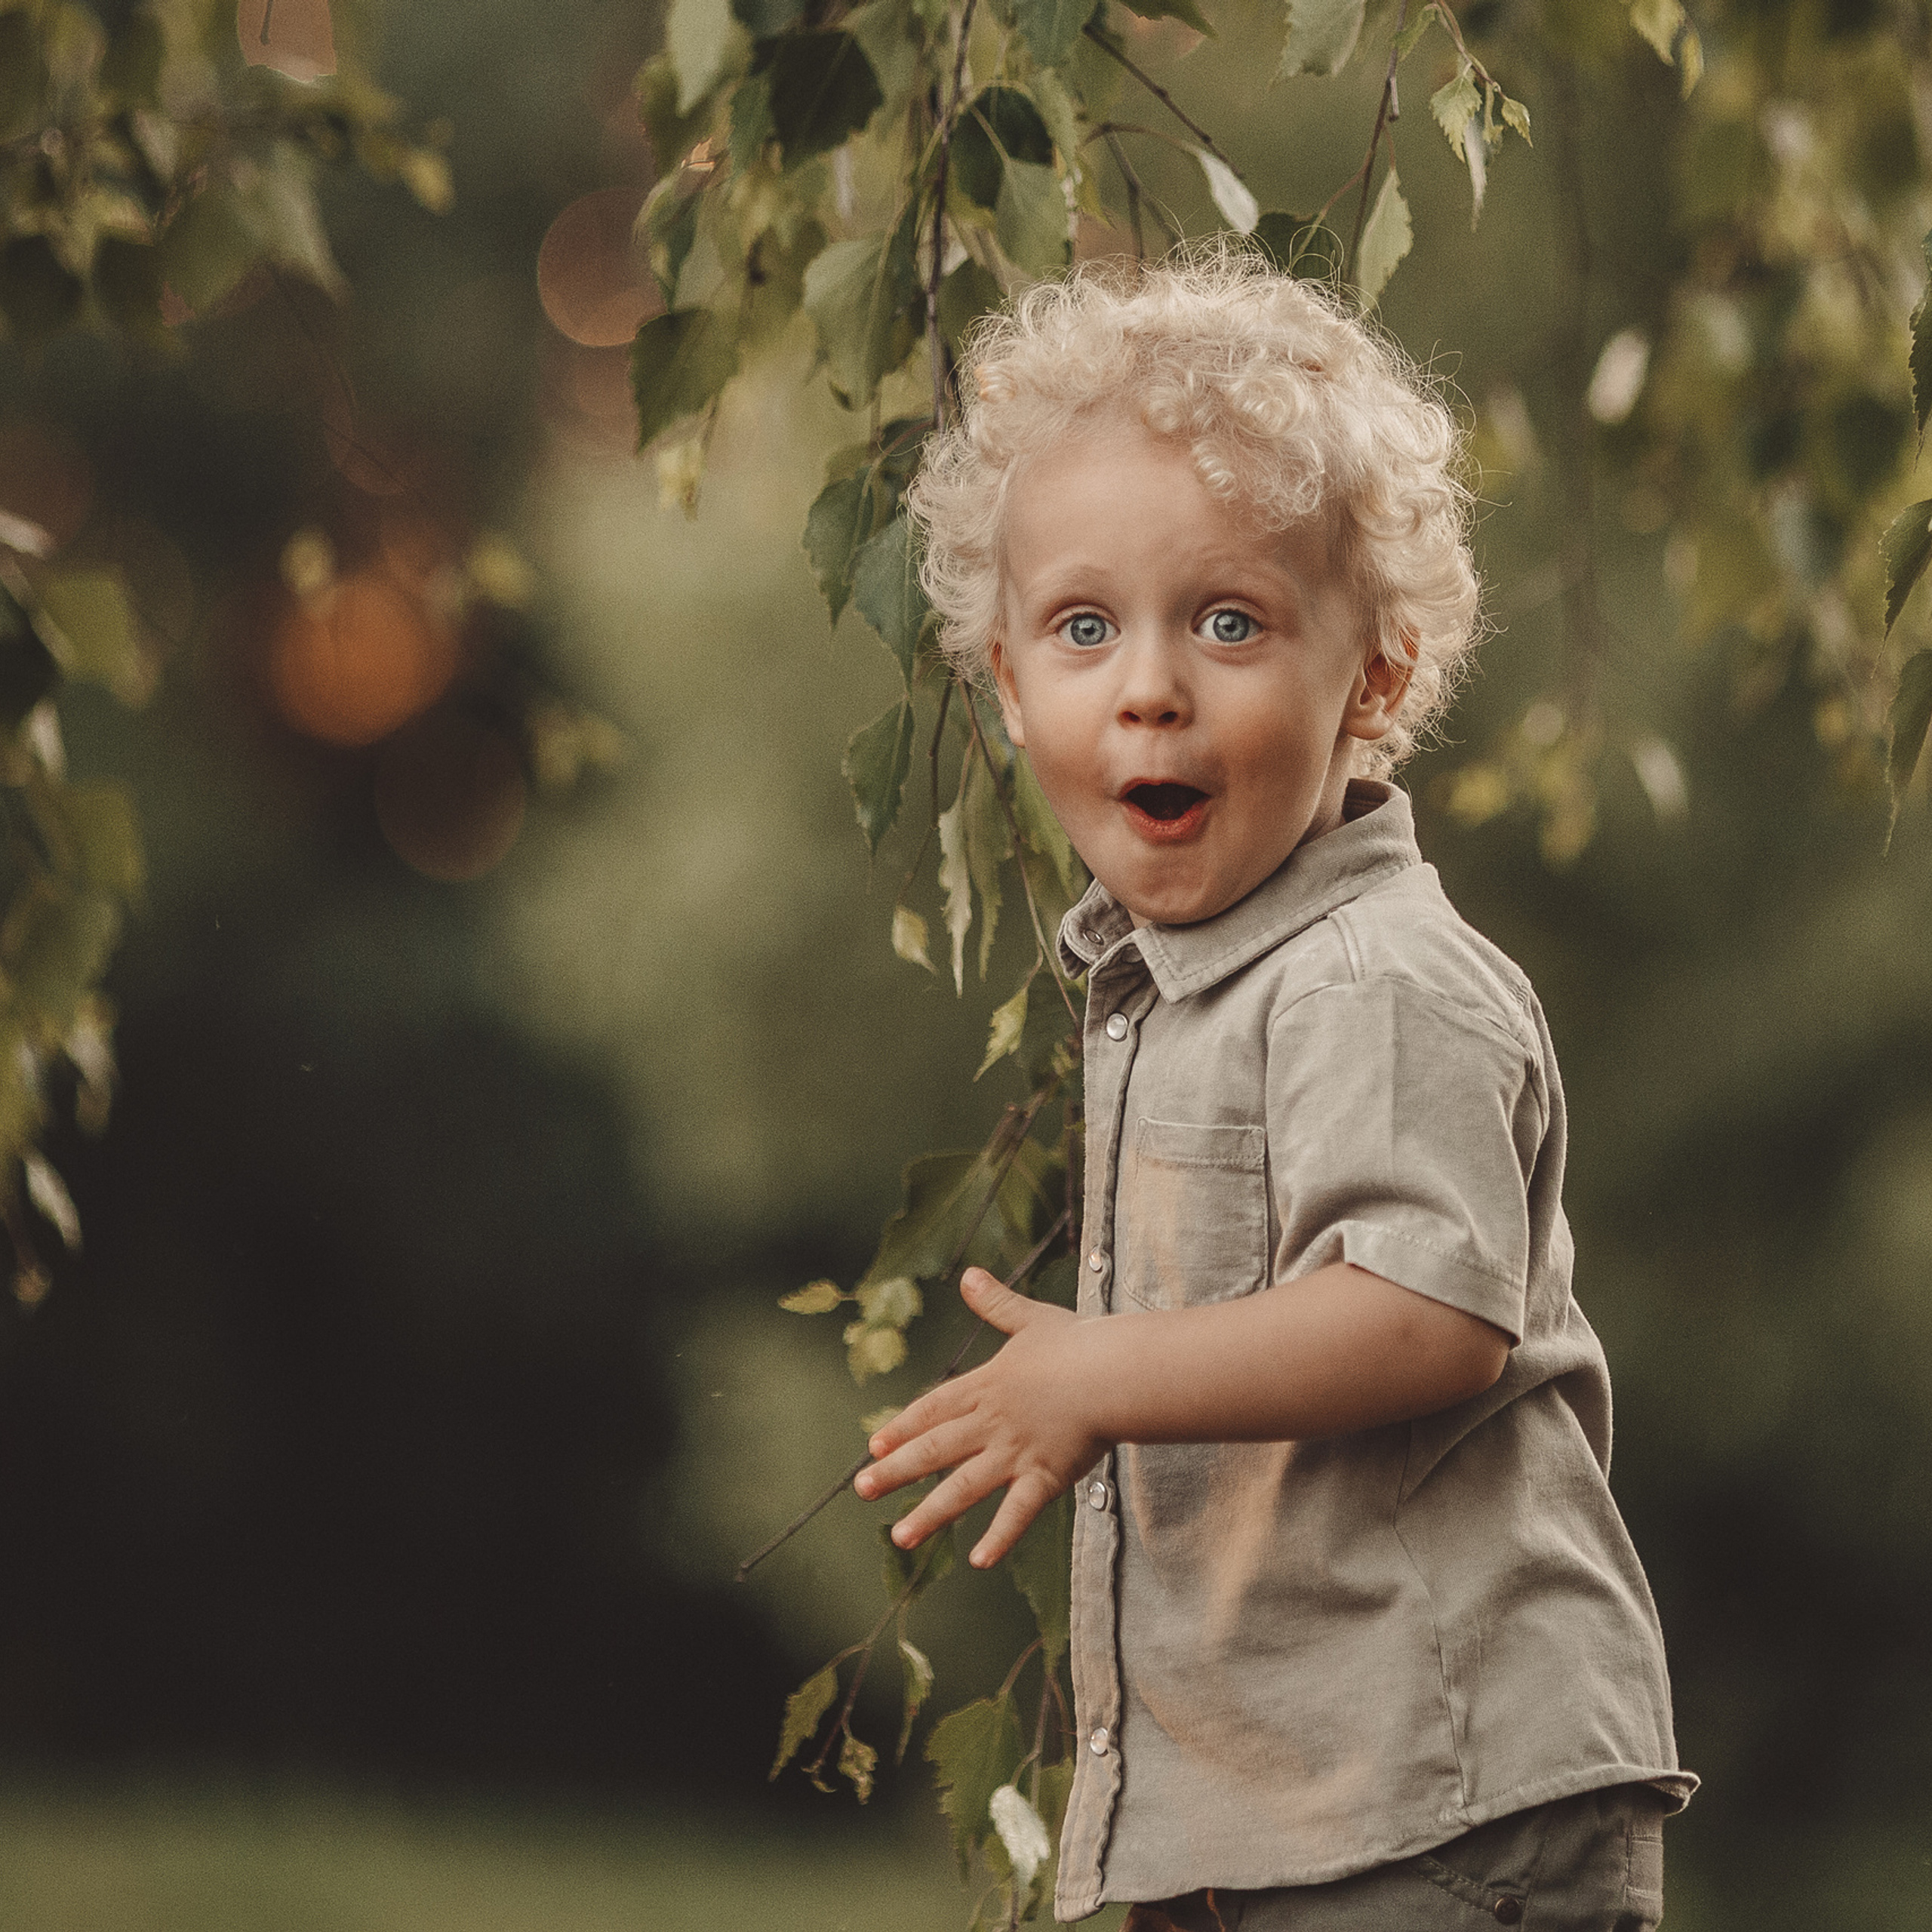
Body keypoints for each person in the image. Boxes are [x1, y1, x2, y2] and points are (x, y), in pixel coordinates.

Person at [857, 247, 1695, 1930]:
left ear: (1371, 678)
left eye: (1226, 619)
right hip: (1284, 1808)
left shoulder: (1370, 977)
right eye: (1083, 626)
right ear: (1010, 685)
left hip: (1440, 1806)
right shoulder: (1182, 989)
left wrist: (1098, 1373)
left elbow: (1420, 1314)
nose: (1150, 680)